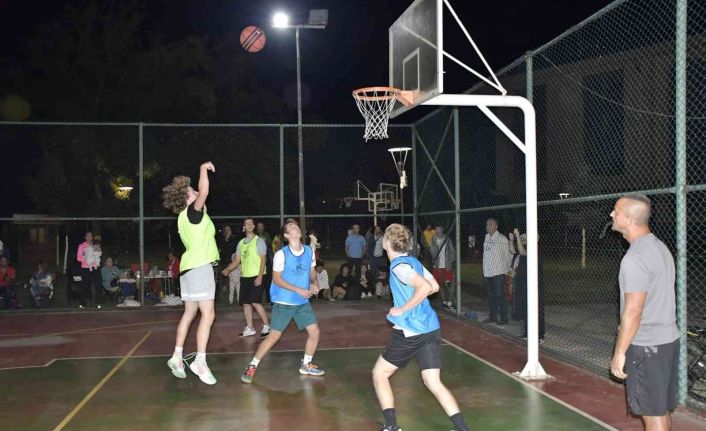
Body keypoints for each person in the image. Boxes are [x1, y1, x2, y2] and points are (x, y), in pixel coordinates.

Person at [373, 223, 470, 431]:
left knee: (379, 374)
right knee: (433, 382)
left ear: (387, 242)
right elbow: (434, 286)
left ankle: (391, 427)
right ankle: (462, 429)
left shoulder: (399, 267)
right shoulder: (413, 262)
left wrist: (403, 308)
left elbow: (425, 287)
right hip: (431, 328)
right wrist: (413, 296)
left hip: (411, 330)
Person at [609, 194, 679, 430]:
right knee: (661, 410)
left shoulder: (634, 258)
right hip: (668, 341)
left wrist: (620, 352)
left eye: (616, 212)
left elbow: (634, 310)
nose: (612, 214)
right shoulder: (660, 247)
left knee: (652, 413)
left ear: (628, 219)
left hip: (647, 346)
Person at [241, 219, 324, 384]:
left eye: (296, 225)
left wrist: (315, 283)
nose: (296, 227)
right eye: (291, 227)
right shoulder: (281, 254)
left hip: (302, 302)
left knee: (315, 332)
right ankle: (252, 366)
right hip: (284, 301)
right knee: (273, 337)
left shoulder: (309, 251)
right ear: (286, 235)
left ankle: (306, 365)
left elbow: (312, 272)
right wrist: (298, 289)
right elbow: (277, 279)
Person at [162, 161, 219, 385]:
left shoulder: (184, 218)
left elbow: (203, 203)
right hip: (200, 267)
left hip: (187, 269)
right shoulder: (193, 212)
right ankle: (200, 361)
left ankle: (177, 357)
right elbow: (204, 192)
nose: (196, 190)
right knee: (208, 315)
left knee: (189, 313)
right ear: (187, 196)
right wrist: (203, 169)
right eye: (191, 190)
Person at [222, 218, 270, 338]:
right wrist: (227, 269)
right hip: (245, 276)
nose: (248, 225)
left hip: (257, 275)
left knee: (255, 302)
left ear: (253, 226)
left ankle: (266, 326)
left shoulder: (259, 241)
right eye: (246, 224)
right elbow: (237, 260)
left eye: (250, 223)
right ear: (244, 227)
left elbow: (263, 259)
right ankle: (250, 328)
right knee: (245, 303)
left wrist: (260, 276)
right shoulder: (241, 243)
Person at [509, 229, 545, 340]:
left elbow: (522, 251)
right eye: (522, 240)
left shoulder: (534, 251)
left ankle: (539, 335)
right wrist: (511, 240)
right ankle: (527, 332)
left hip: (534, 285)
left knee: (537, 310)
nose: (522, 241)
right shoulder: (521, 252)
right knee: (525, 308)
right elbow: (513, 250)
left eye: (525, 240)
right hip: (523, 284)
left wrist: (517, 236)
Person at [482, 218, 512, 324]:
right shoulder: (486, 238)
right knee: (491, 296)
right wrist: (484, 269)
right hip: (488, 272)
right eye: (487, 224)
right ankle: (493, 317)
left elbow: (508, 255)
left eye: (490, 224)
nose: (488, 226)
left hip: (499, 272)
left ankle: (504, 318)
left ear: (496, 226)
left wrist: (508, 270)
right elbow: (485, 255)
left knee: (500, 295)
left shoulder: (502, 239)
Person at [429, 224, 456, 311]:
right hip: (437, 266)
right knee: (440, 284)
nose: (437, 231)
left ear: (442, 229)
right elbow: (431, 252)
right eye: (436, 229)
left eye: (438, 229)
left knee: (452, 282)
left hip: (447, 265)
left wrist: (450, 261)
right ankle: (444, 302)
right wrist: (434, 261)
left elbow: (452, 251)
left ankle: (450, 302)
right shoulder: (433, 240)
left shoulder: (447, 239)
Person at [76, 232, 102, 308]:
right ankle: (84, 302)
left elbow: (99, 253)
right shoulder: (81, 246)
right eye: (88, 236)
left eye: (91, 236)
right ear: (85, 237)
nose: (89, 237)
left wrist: (96, 255)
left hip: (95, 268)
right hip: (85, 268)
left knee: (99, 284)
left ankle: (98, 302)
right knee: (84, 286)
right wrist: (87, 259)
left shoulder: (95, 244)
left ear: (92, 237)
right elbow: (78, 258)